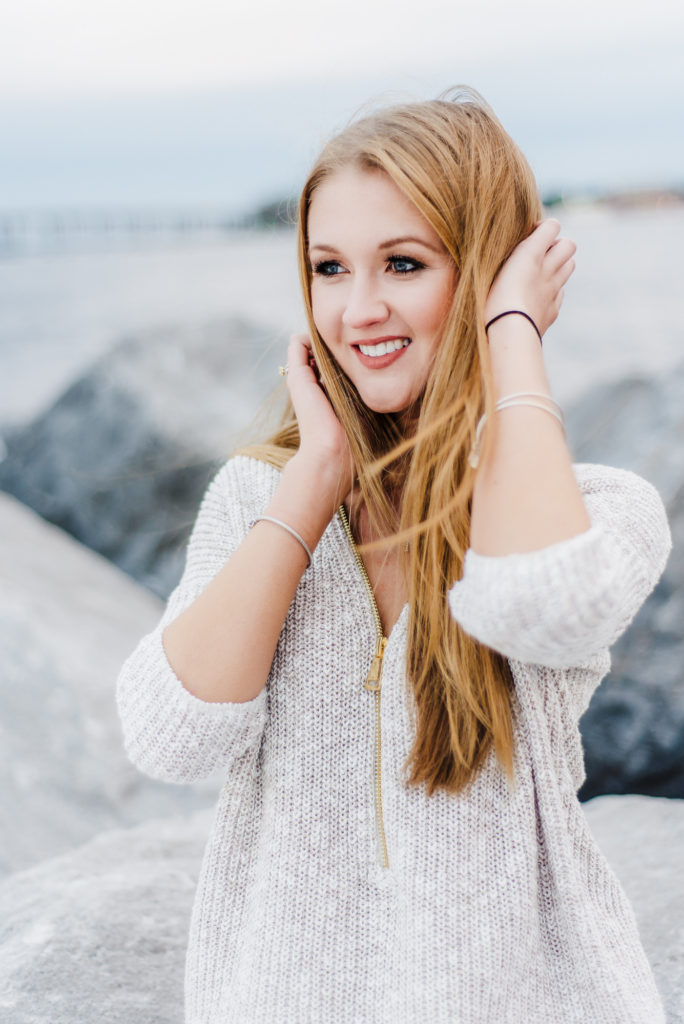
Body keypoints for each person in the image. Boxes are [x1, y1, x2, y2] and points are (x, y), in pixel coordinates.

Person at [116, 88, 671, 1023]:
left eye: (403, 264)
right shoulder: (263, 499)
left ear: (493, 272)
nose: (358, 309)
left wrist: (510, 339)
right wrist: (313, 479)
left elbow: (540, 597)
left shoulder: (600, 509)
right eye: (329, 269)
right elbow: (171, 736)